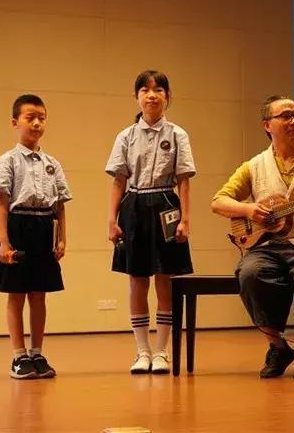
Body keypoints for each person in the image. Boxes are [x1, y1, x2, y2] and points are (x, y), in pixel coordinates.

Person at [211, 95, 294, 380]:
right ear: (267, 125)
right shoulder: (253, 166)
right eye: (285, 116)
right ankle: (278, 346)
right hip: (268, 246)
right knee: (249, 272)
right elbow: (218, 202)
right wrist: (249, 209)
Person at [105, 70, 196, 374]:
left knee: (164, 279)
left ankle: (161, 352)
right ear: (137, 96)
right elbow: (118, 180)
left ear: (167, 96)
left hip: (166, 204)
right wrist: (111, 220)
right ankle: (142, 351)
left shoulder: (178, 134)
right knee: (136, 280)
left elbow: (184, 181)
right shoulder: (125, 136)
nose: (151, 95)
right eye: (145, 90)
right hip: (133, 206)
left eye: (158, 90)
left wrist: (185, 219)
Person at [0, 94, 71, 379]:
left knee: (39, 294)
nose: (37, 123)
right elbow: (3, 203)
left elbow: (60, 205)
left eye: (42, 118)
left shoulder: (52, 163)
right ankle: (18, 356)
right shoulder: (7, 160)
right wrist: (4, 241)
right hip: (18, 226)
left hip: (44, 227)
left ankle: (37, 352)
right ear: (15, 122)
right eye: (30, 118)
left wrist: (61, 238)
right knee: (16, 294)